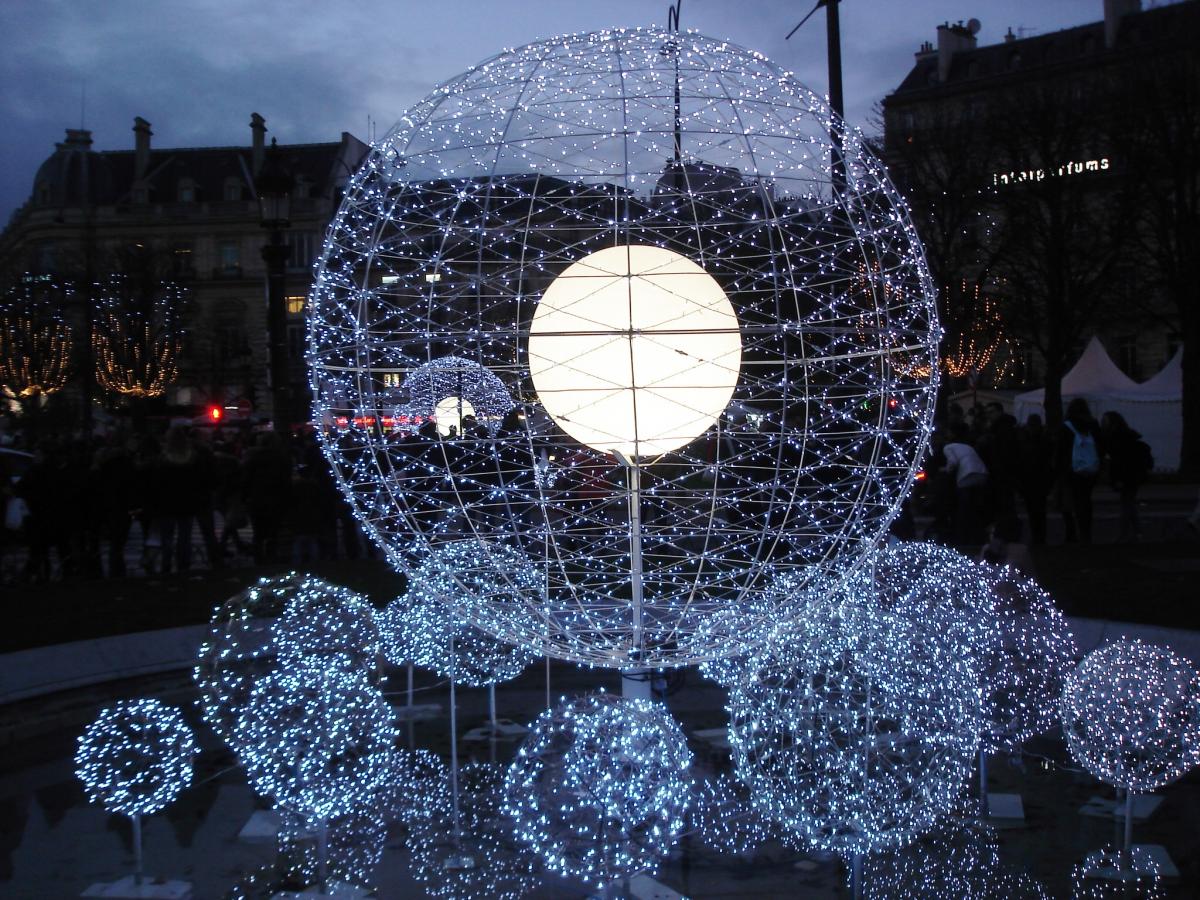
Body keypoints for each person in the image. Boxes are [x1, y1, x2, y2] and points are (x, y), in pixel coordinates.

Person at [1056, 398, 1103, 544]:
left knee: (1071, 501)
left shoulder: (1066, 427)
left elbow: (1061, 450)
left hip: (1072, 469)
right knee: (1086, 500)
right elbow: (1100, 445)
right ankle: (1085, 532)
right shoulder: (1093, 425)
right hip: (1090, 469)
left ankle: (1072, 533)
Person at [1101, 410, 1152, 541]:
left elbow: (1119, 461)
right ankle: (1137, 532)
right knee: (1129, 503)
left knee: (1126, 504)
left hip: (1126, 475)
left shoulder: (1116, 438)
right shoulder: (1126, 436)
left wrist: (1117, 478)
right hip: (1134, 474)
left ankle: (1124, 534)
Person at [941, 421, 990, 547]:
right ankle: (979, 538)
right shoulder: (967, 447)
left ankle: (962, 539)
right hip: (982, 473)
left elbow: (953, 462)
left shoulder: (948, 447)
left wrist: (945, 470)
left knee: (964, 509)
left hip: (966, 476)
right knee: (976, 509)